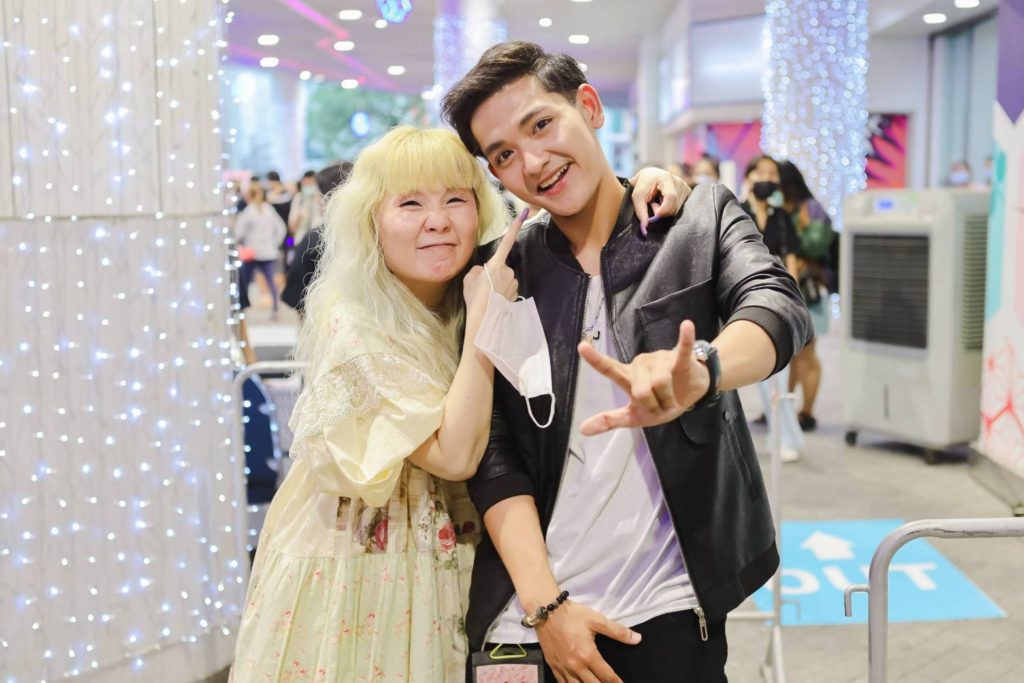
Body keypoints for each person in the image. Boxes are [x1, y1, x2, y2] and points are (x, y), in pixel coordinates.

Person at [230, 126, 688, 681]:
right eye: (410, 204)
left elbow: (579, 216)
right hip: (369, 563)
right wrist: (485, 321)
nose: (438, 221)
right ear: (371, 219)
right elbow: (455, 455)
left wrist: (648, 183)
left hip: (459, 553)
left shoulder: (469, 284)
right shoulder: (355, 321)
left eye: (455, 199)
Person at [442, 41, 812, 683]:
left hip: (667, 612)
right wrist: (546, 608)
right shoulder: (502, 272)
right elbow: (496, 456)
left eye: (541, 124)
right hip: (528, 622)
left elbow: (775, 304)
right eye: (503, 155)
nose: (533, 162)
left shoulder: (695, 220)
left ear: (588, 106)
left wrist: (705, 369)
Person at [740, 155, 804, 462]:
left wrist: (792, 294)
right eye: (761, 172)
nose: (767, 178)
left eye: (772, 173)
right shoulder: (736, 211)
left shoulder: (781, 216)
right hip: (744, 298)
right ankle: (784, 436)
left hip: (778, 296)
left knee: (778, 370)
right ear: (749, 176)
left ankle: (786, 437)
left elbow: (790, 257)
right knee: (762, 373)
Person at [778, 160, 833, 432]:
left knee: (807, 354)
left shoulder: (812, 209)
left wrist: (786, 234)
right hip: (782, 290)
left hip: (809, 290)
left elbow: (816, 244)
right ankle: (782, 409)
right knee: (786, 355)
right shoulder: (776, 210)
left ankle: (807, 412)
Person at [281, 161, 353, 317]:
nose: (317, 201)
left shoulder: (315, 238)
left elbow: (298, 298)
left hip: (323, 321)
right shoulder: (377, 234)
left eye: (319, 195)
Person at [235, 182, 287, 317]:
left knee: (245, 282)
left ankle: (243, 309)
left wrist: (242, 243)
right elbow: (281, 228)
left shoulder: (247, 212)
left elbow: (238, 233)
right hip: (268, 252)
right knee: (271, 281)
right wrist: (275, 243)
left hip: (251, 253)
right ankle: (275, 308)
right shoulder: (269, 209)